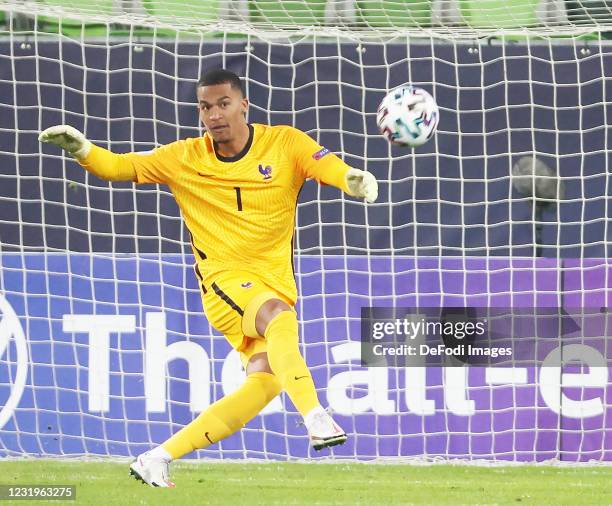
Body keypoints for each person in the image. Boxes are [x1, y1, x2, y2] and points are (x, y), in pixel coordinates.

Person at [39, 68, 378, 487]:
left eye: (222, 104)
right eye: (205, 107)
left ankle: (156, 458)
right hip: (224, 283)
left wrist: (351, 180)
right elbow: (120, 167)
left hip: (273, 280)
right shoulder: (184, 158)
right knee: (278, 318)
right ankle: (314, 414)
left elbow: (325, 165)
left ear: (243, 105)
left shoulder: (284, 143)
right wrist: (84, 149)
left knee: (267, 382)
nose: (214, 115)